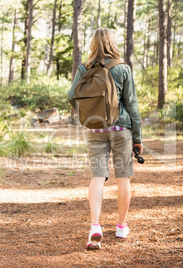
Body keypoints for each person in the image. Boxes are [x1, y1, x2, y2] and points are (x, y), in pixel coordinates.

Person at [68, 28, 143, 250]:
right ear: (112, 43)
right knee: (123, 178)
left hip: (95, 129)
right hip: (121, 128)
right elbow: (132, 104)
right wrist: (137, 135)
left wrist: (86, 113)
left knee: (97, 177)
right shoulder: (122, 68)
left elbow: (71, 96)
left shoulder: (84, 68)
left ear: (93, 44)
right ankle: (121, 226)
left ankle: (94, 226)